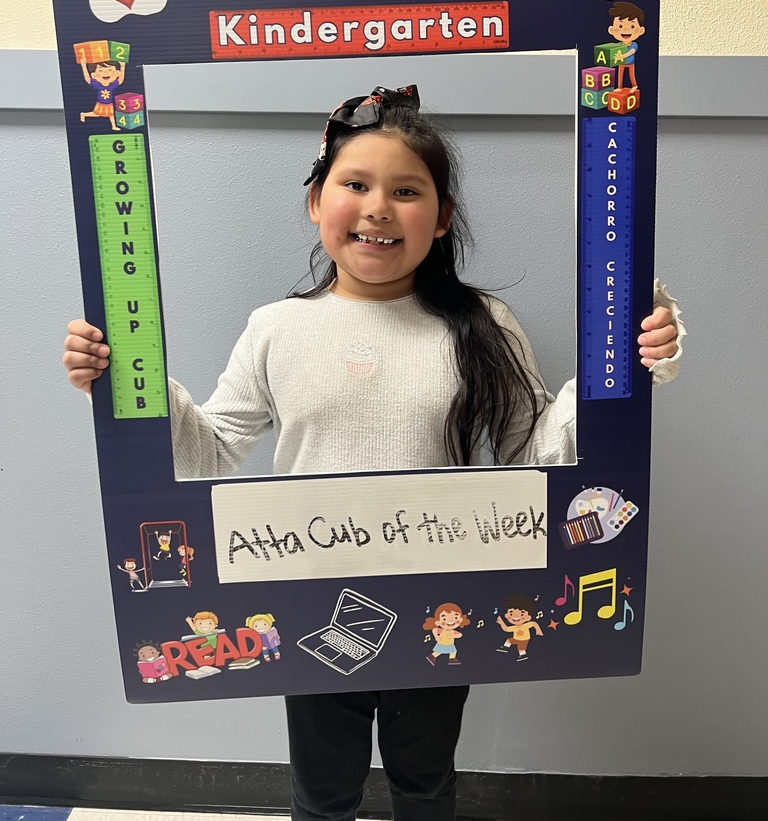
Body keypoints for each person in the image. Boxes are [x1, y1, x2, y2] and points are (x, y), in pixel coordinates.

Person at [63, 84, 683, 821]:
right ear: (316, 203)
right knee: (324, 793)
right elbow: (211, 452)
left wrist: (619, 372)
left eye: (406, 190)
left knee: (425, 783)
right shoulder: (275, 329)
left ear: (443, 216)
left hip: (439, 600)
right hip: (305, 599)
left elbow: (538, 451)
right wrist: (131, 381)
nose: (378, 207)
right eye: (354, 184)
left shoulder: (484, 323)